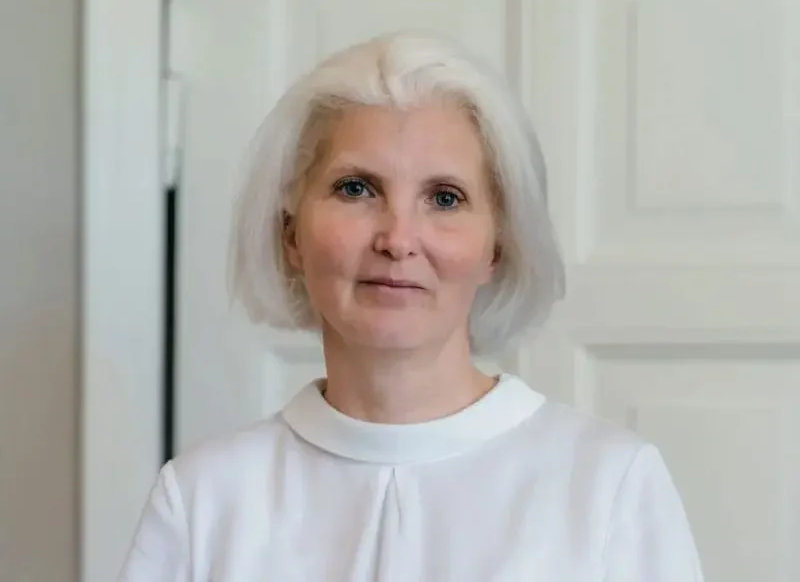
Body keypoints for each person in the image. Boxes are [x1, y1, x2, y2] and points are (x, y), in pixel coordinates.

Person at [117, 30, 704, 581]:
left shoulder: (609, 486)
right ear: (290, 233)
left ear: (497, 247)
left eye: (444, 198)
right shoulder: (202, 501)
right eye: (356, 189)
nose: (398, 239)